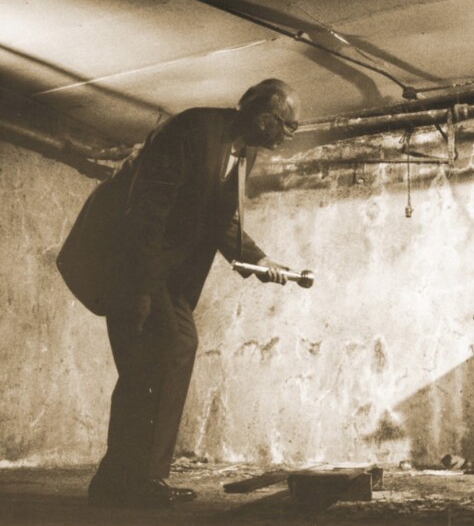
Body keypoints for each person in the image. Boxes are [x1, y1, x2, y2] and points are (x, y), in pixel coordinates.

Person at [56, 78, 300, 508]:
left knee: (156, 360)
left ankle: (120, 480)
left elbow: (219, 219)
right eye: (288, 126)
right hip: (128, 263)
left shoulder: (243, 151)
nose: (287, 136)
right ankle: (136, 480)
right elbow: (147, 210)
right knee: (162, 353)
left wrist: (260, 261)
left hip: (163, 274)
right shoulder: (193, 131)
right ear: (266, 118)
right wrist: (143, 292)